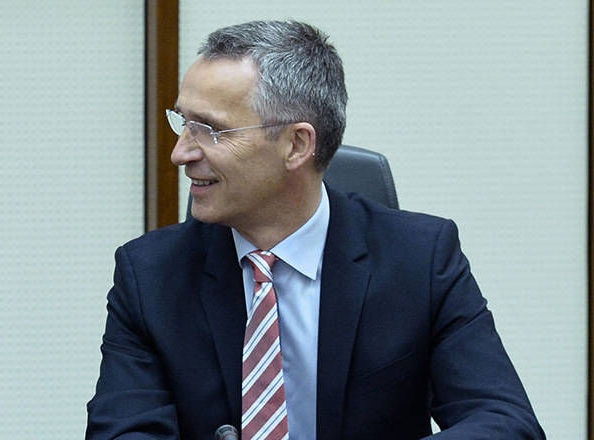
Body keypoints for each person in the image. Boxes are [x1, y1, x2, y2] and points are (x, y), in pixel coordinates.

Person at [86, 21, 543, 440]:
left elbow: (504, 422)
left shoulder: (421, 260)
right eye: (185, 123)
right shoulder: (149, 275)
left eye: (212, 131)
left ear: (297, 144)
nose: (181, 153)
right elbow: (123, 431)